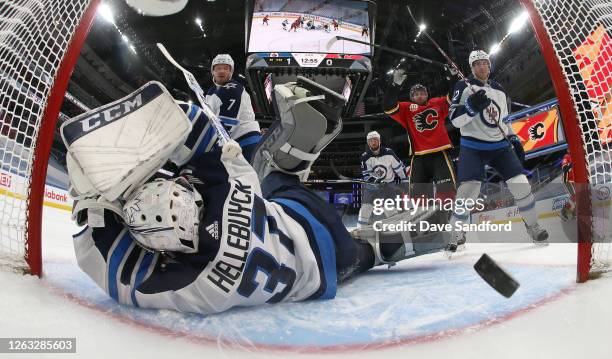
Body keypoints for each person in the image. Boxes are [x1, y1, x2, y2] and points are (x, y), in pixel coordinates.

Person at [66, 79, 450, 316]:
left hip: (327, 268)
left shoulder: (201, 283)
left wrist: (94, 214)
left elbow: (118, 276)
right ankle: (296, 154)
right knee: (270, 177)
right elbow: (195, 127)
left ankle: (417, 238)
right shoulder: (226, 187)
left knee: (366, 253)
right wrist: (98, 189)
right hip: (302, 213)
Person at [447, 50, 549, 250]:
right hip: (473, 145)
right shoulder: (463, 86)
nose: (482, 67)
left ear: (489, 65)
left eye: (485, 63)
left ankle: (533, 226)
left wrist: (513, 137)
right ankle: (456, 233)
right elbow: (455, 120)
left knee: (521, 184)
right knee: (468, 191)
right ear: (471, 68)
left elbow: (502, 120)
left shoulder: (499, 90)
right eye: (477, 64)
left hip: (499, 145)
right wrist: (470, 107)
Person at [382, 74, 457, 204]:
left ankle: (447, 219)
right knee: (417, 196)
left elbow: (453, 97)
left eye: (422, 93)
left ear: (427, 94)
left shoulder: (437, 103)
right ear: (411, 97)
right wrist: (394, 86)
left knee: (447, 192)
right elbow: (388, 106)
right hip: (418, 157)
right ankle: (424, 221)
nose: (420, 96)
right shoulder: (406, 109)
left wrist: (453, 77)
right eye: (416, 94)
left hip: (440, 154)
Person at [205, 54, 261, 162]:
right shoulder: (211, 91)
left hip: (247, 142)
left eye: (226, 68)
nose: (221, 71)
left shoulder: (234, 89)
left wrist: (210, 147)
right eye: (218, 68)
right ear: (212, 71)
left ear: (231, 72)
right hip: (234, 142)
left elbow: (228, 123)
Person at [358, 131, 408, 226]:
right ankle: (361, 230)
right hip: (372, 187)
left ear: (379, 141)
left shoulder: (389, 153)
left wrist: (405, 181)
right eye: (371, 141)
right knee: (365, 209)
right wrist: (376, 181)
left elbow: (399, 169)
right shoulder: (365, 157)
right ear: (368, 143)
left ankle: (395, 229)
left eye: (375, 140)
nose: (373, 142)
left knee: (390, 209)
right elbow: (367, 175)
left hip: (388, 186)